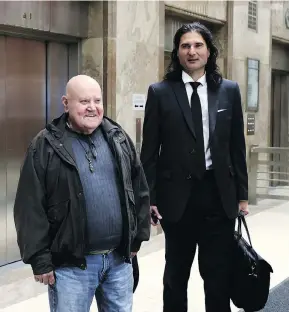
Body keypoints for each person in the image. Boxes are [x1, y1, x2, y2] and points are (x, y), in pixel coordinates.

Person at [14, 75, 150, 312]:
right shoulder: (45, 145)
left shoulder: (117, 137)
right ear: (66, 103)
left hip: (118, 262)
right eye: (84, 101)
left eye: (97, 100)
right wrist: (39, 259)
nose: (92, 108)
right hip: (71, 268)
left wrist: (137, 236)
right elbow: (29, 205)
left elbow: (139, 189)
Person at [140, 22, 249, 312]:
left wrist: (242, 195)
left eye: (198, 45)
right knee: (176, 277)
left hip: (219, 196)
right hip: (177, 202)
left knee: (217, 278)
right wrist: (149, 198)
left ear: (210, 51)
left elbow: (237, 147)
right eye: (185, 46)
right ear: (176, 52)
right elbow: (149, 152)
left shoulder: (229, 91)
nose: (192, 51)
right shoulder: (160, 92)